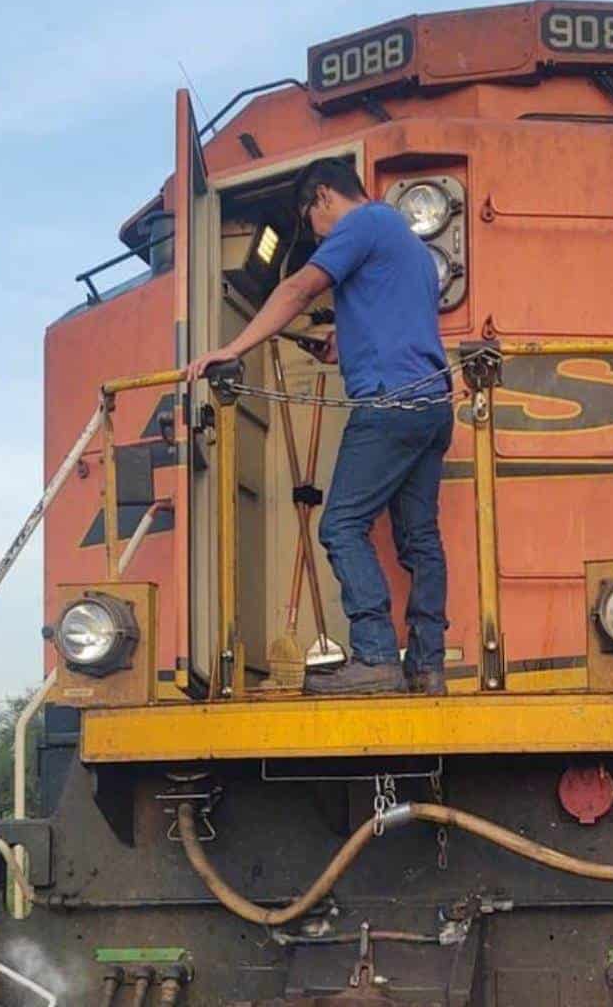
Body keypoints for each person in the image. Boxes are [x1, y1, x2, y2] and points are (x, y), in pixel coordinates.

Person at [186, 157, 452, 696]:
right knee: (419, 540)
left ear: (324, 197)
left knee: (340, 526)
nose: (317, 232)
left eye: (311, 222)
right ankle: (427, 666)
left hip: (388, 405)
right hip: (431, 405)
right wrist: (343, 342)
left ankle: (376, 657)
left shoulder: (362, 223)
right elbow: (396, 320)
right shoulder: (412, 247)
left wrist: (233, 348)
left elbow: (297, 290)